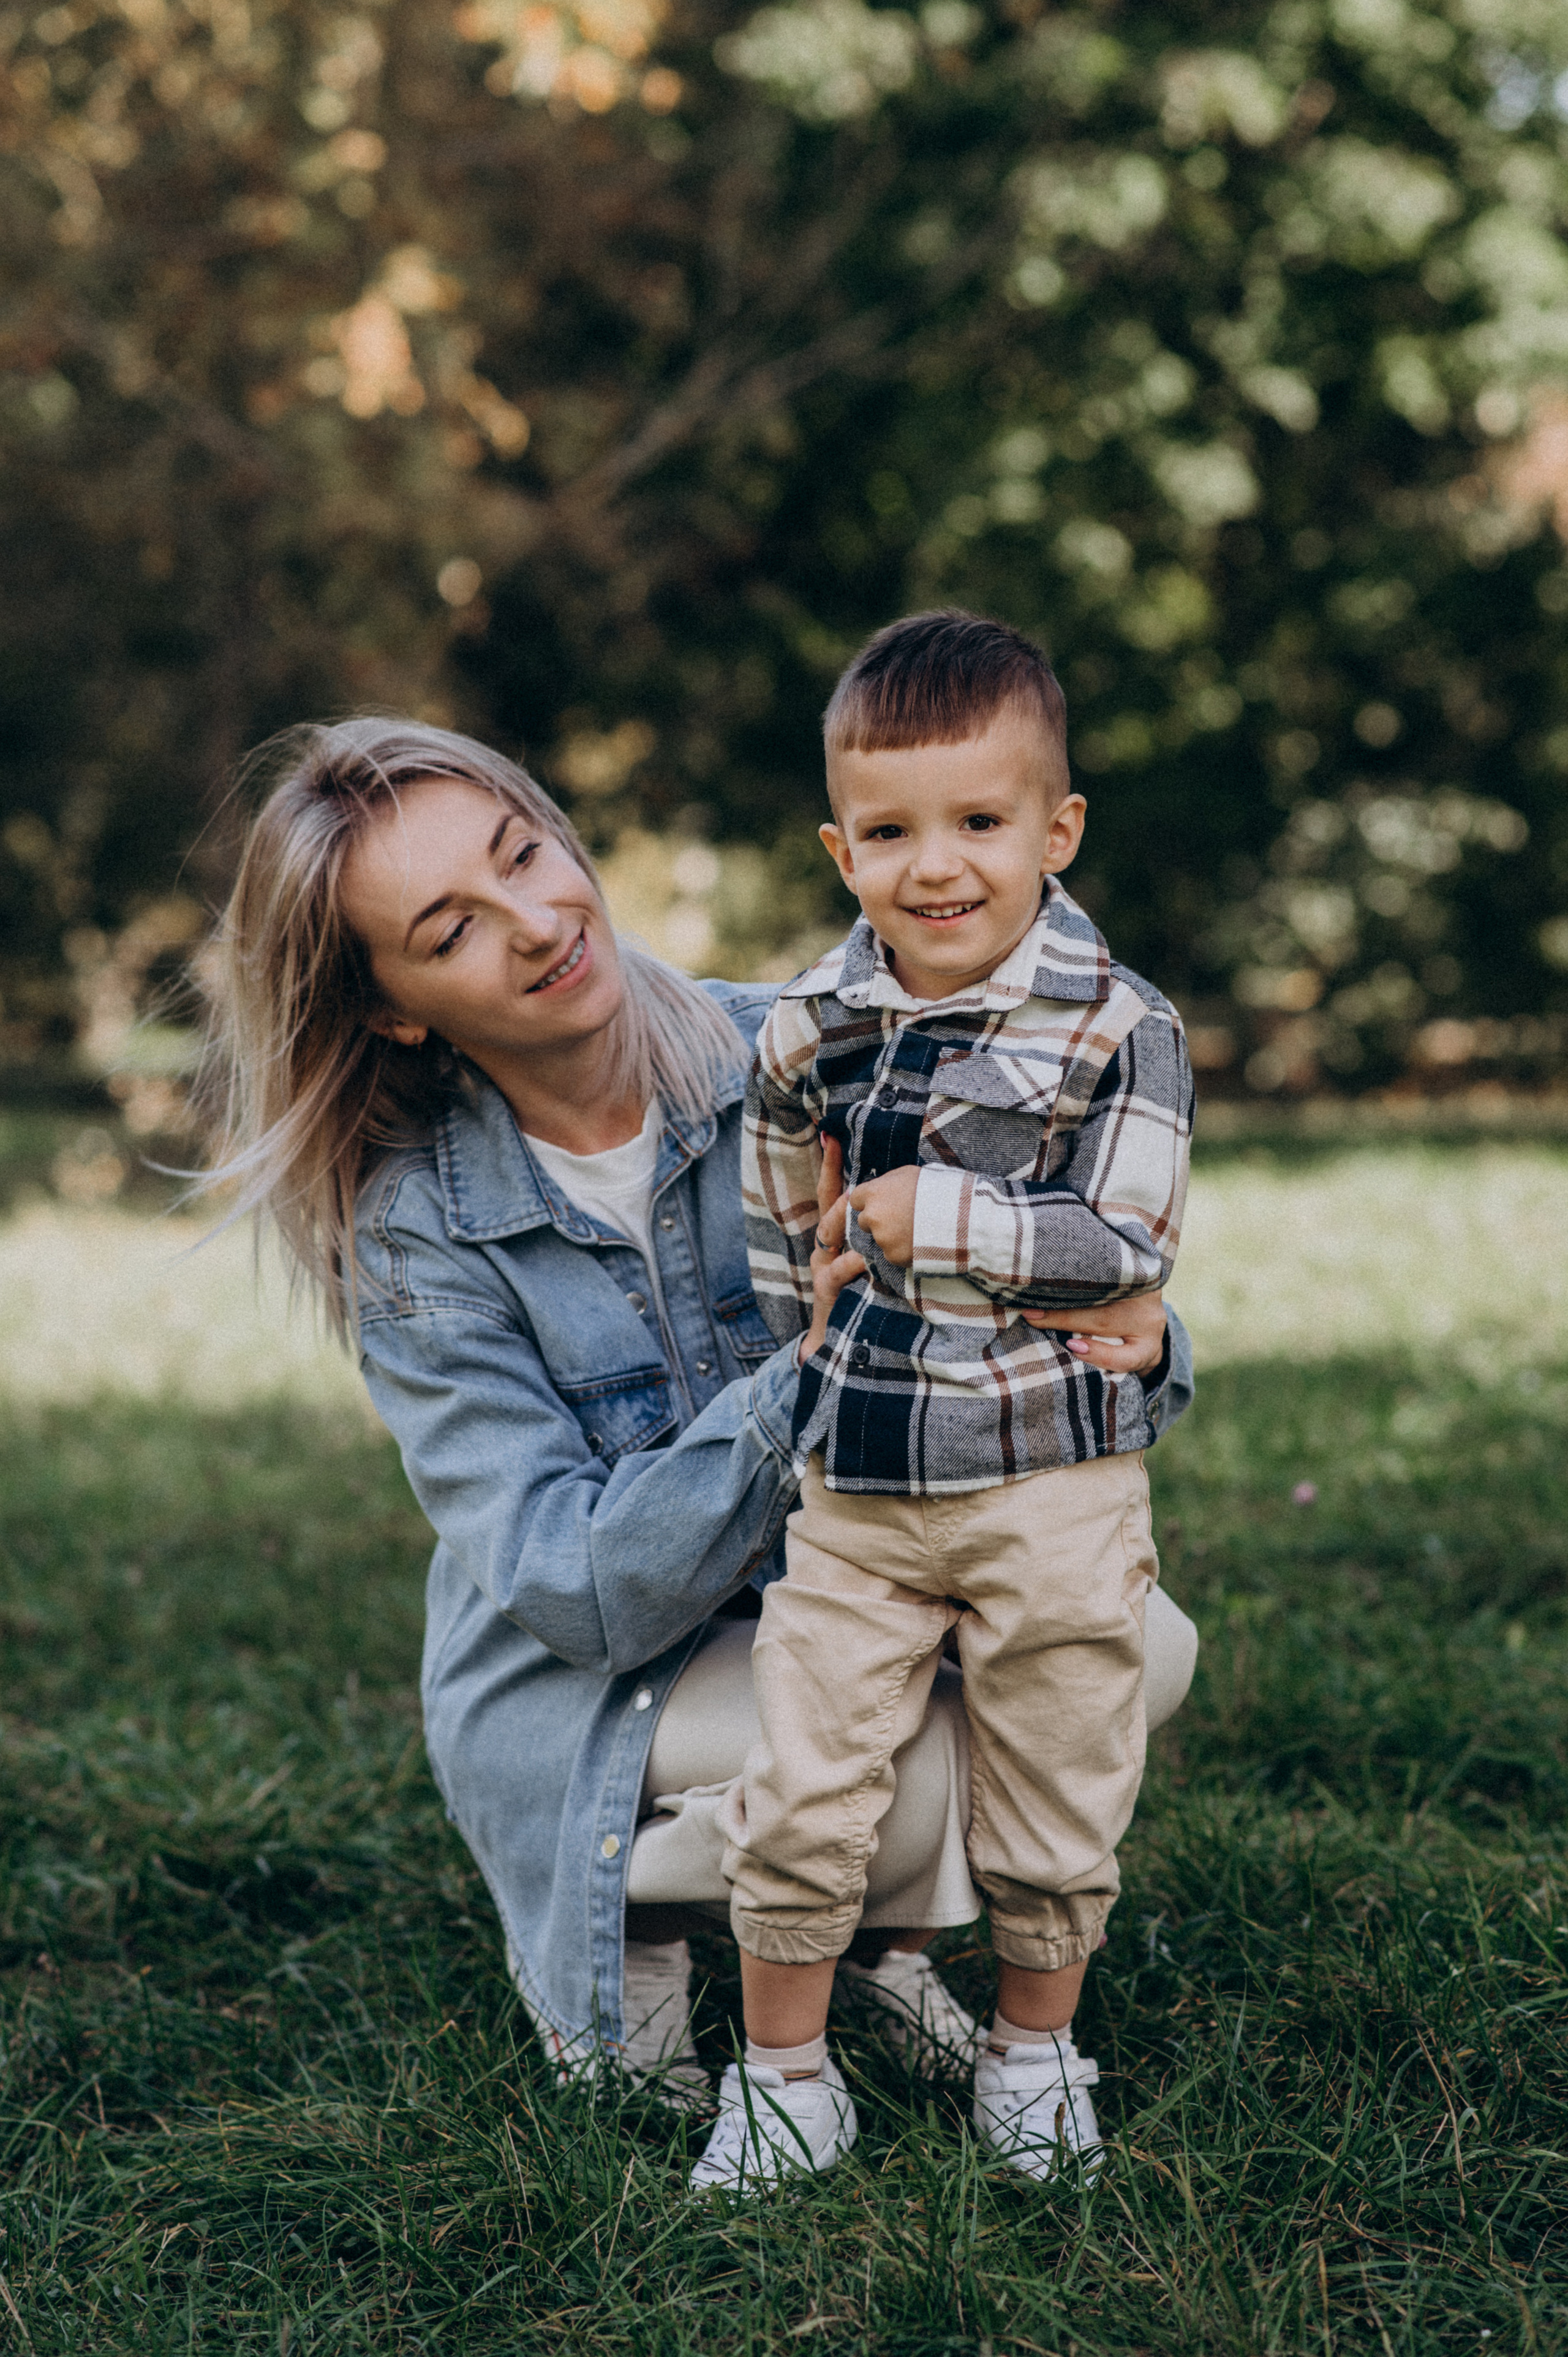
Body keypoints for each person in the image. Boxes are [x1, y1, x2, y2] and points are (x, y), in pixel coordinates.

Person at [193, 713, 1199, 2114]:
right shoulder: (419, 1228)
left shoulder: (801, 1048)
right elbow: (577, 1591)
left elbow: (1033, 1265)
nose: (539, 921)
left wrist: (1141, 1341)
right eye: (452, 928)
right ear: (393, 1009)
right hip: (596, 1678)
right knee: (893, 1750)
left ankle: (868, 1947)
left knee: (1129, 1645)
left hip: (844, 1589)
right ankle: (636, 1923)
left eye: (522, 854)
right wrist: (819, 1369)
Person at [700, 611, 1192, 2191]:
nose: (937, 866)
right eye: (894, 830)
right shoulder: (808, 1027)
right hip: (856, 1491)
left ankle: (1033, 2047)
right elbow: (782, 1208)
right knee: (803, 1775)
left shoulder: (1119, 1024)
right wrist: (810, 1316)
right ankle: (783, 2077)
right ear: (840, 848)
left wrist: (939, 1220)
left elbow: (1126, 1242)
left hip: (1050, 1476)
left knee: (1060, 1764)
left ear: (1052, 831)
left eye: (979, 823)